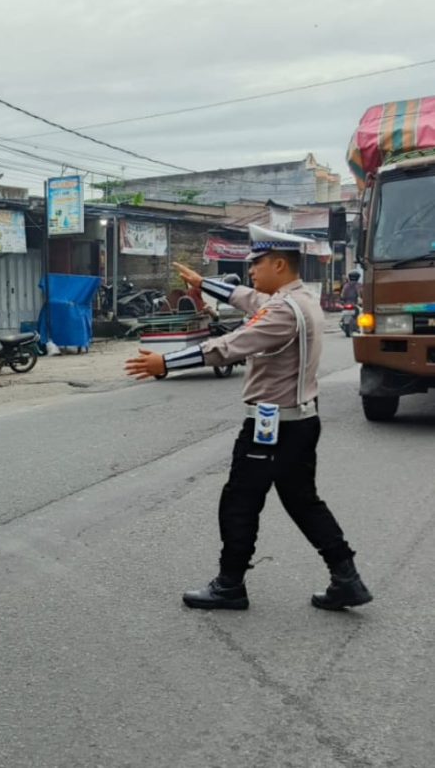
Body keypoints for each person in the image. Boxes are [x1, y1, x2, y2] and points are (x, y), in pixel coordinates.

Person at [125, 225, 372, 612]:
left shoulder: (281, 312)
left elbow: (229, 346)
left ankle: (229, 585)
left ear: (278, 263)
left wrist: (165, 363)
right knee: (303, 501)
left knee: (239, 501)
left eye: (256, 263)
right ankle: (347, 578)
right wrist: (204, 283)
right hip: (302, 419)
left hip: (271, 426)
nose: (251, 270)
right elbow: (248, 297)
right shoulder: (300, 299)